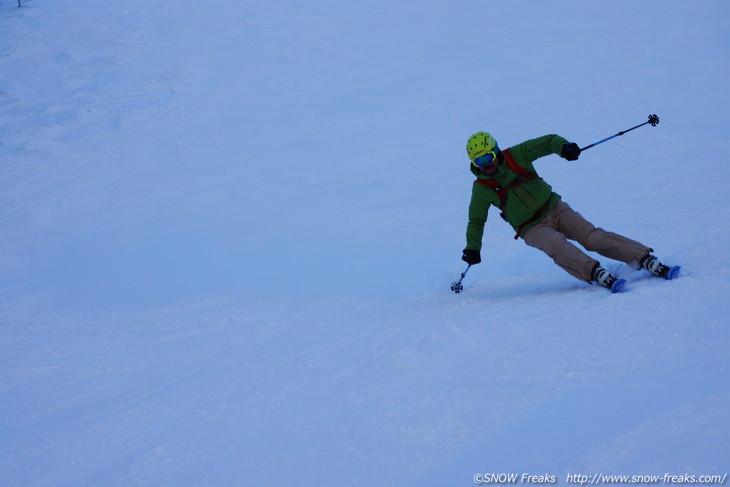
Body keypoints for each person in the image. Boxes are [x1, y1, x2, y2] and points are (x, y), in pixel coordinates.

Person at [460, 132, 679, 292]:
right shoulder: (481, 188)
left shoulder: (517, 155)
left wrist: (564, 148)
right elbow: (476, 220)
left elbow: (547, 142)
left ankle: (643, 258)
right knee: (556, 244)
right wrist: (473, 248)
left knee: (592, 238)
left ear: (496, 151)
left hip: (554, 207)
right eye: (479, 161)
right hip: (531, 227)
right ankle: (594, 272)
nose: (485, 165)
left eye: (487, 157)